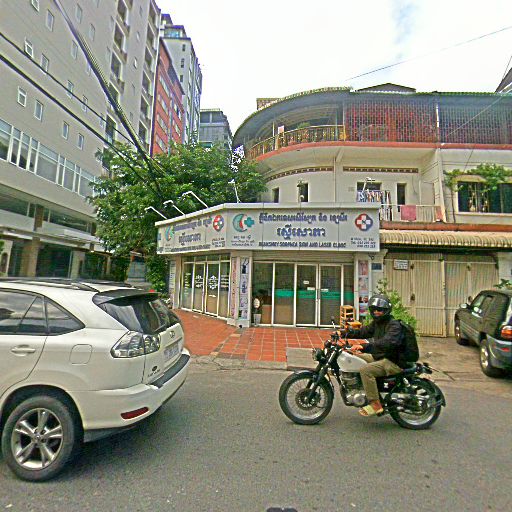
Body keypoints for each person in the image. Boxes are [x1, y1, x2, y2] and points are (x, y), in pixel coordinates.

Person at [344, 294, 405, 417]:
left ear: (386, 310)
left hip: (393, 361)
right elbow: (364, 331)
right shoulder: (378, 323)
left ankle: (375, 404)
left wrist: (364, 346)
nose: (376, 312)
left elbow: (386, 343)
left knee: (365, 370)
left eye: (380, 310)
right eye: (374, 309)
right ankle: (365, 388)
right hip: (381, 356)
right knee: (353, 356)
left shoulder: (394, 325)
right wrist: (346, 333)